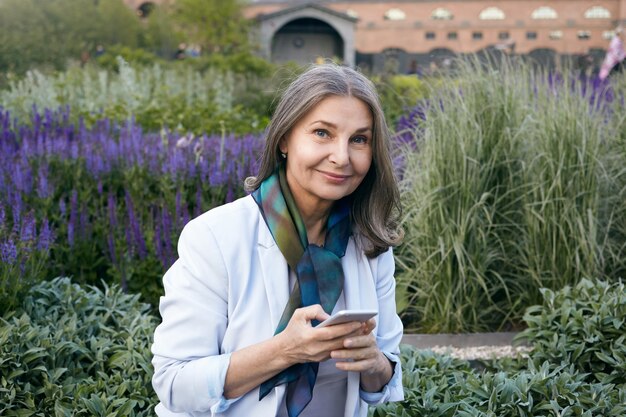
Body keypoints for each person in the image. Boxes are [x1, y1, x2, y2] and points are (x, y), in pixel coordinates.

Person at [151, 63, 405, 417]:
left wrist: (373, 361)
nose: (342, 157)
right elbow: (175, 384)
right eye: (322, 133)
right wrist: (286, 350)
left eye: (359, 139)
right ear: (285, 138)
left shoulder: (370, 244)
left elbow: (384, 382)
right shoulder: (214, 237)